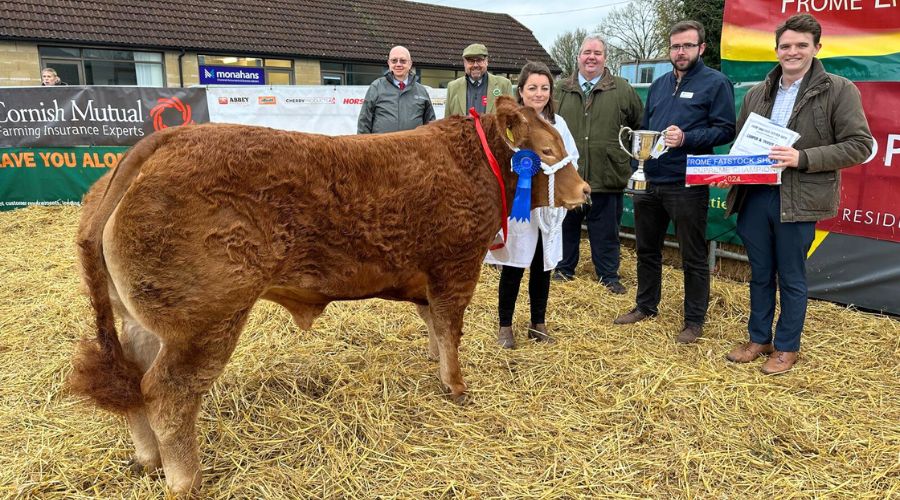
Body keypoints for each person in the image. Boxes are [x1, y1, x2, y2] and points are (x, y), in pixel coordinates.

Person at [722, 14, 872, 374]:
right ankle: (759, 338)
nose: (793, 52)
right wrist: (729, 168)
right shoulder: (757, 92)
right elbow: (742, 143)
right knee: (759, 272)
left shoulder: (839, 89)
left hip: (799, 199)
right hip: (755, 196)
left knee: (791, 275)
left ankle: (787, 347)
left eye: (801, 45)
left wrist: (802, 158)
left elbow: (860, 145)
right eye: (786, 45)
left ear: (816, 48)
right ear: (776, 50)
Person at [613, 20, 736, 344]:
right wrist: (637, 166)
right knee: (646, 249)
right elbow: (646, 130)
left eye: (687, 46)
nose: (680, 52)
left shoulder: (716, 83)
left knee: (693, 255)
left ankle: (694, 321)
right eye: (675, 46)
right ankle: (645, 305)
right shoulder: (659, 84)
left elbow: (725, 129)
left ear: (701, 48)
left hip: (687, 183)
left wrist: (687, 138)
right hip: (651, 180)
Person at [485, 61, 579, 349]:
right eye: (532, 88)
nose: (539, 94)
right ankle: (505, 326)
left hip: (548, 208)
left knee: (542, 265)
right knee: (514, 265)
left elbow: (570, 160)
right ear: (521, 91)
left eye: (544, 88)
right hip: (520, 207)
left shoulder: (558, 124)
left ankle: (538, 323)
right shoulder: (510, 127)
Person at [552, 35, 644, 294]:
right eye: (586, 52)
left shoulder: (623, 89)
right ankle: (563, 269)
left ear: (605, 57)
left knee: (606, 231)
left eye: (597, 53)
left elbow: (639, 126)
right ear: (578, 56)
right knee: (566, 226)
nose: (591, 57)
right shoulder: (560, 90)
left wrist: (629, 159)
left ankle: (608, 275)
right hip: (569, 177)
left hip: (608, 174)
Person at [357, 46, 435, 134]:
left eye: (403, 61)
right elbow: (364, 123)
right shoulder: (376, 87)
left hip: (413, 147)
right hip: (382, 147)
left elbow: (431, 125)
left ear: (410, 64)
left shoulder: (421, 91)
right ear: (389, 63)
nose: (398, 64)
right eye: (394, 61)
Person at [445, 44, 513, 117]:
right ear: (464, 63)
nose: (475, 65)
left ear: (486, 61)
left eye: (479, 60)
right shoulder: (452, 87)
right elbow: (446, 124)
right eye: (471, 61)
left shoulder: (504, 85)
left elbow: (511, 119)